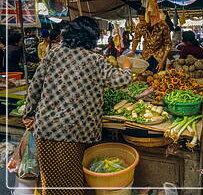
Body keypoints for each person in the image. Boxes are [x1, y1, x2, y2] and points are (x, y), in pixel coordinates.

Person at [23, 16, 132, 195]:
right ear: (91, 38)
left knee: (49, 179)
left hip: (46, 127)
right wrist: (127, 66)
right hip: (75, 129)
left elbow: (35, 86)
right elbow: (120, 80)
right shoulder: (95, 60)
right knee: (70, 181)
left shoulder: (53, 54)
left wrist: (28, 114)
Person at [128, 8, 172, 73]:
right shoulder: (140, 25)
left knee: (158, 78)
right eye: (140, 20)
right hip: (146, 55)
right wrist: (133, 52)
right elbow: (136, 39)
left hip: (159, 57)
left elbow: (168, 45)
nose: (142, 23)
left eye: (143, 20)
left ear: (151, 17)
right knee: (145, 77)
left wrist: (162, 62)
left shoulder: (163, 25)